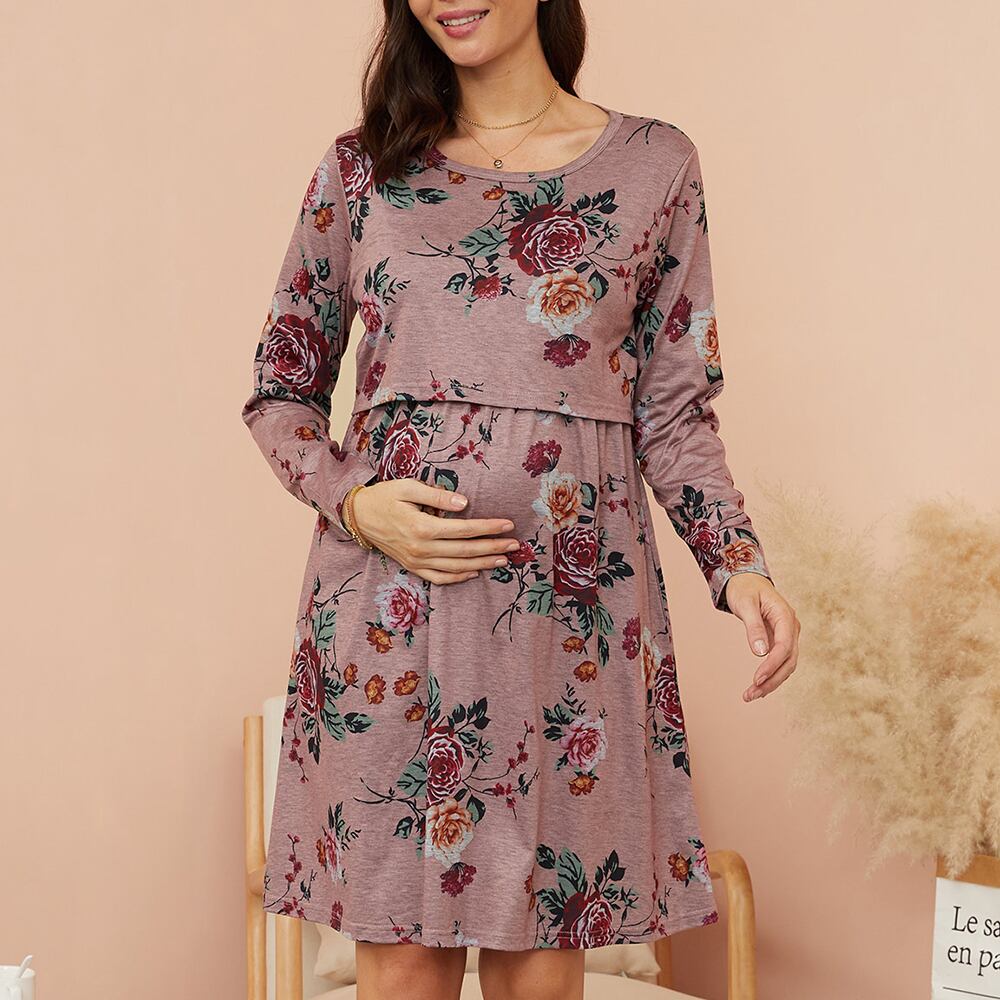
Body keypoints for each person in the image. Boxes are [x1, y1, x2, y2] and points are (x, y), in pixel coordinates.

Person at [240, 2, 801, 997]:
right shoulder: (361, 169)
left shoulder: (654, 168)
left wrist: (739, 565)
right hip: (391, 620)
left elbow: (671, 412)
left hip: (567, 627)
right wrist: (357, 503)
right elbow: (281, 390)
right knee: (399, 965)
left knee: (540, 970)